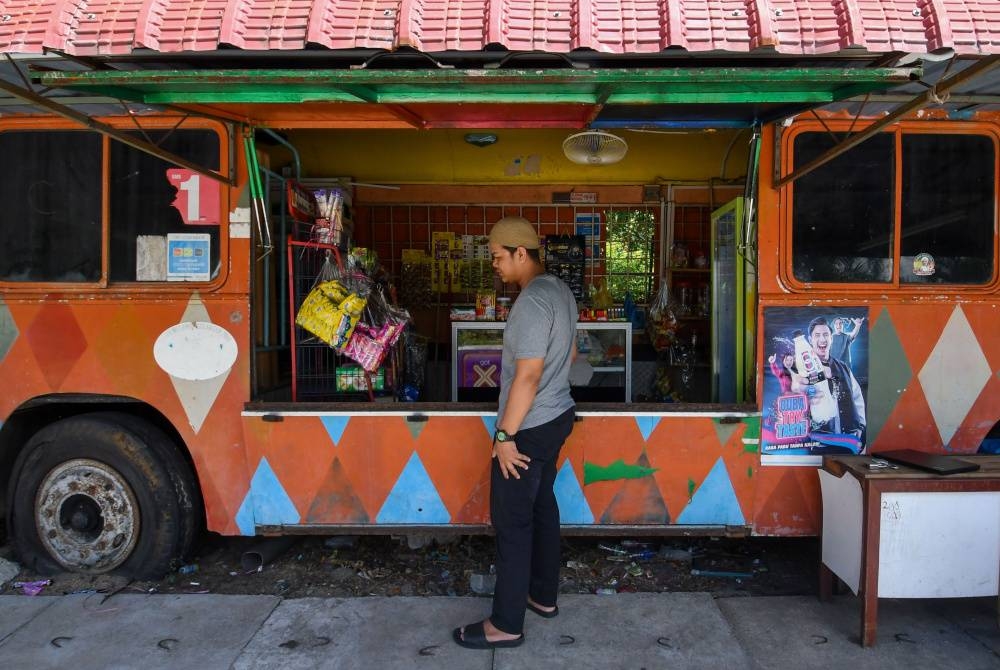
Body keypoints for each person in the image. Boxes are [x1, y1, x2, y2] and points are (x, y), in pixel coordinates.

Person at [453, 216, 577, 650]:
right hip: (558, 415)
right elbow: (574, 352)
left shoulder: (529, 303)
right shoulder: (560, 290)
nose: (494, 266)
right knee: (541, 506)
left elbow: (527, 377)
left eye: (497, 257)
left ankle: (506, 623)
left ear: (520, 253)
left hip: (529, 425)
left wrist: (504, 437)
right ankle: (542, 597)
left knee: (512, 521)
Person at [801, 317, 866, 449]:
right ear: (810, 340)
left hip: (847, 441)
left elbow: (857, 397)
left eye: (826, 335)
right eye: (817, 335)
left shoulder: (844, 368)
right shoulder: (801, 370)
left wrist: (860, 426)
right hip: (817, 443)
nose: (822, 339)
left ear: (831, 338)